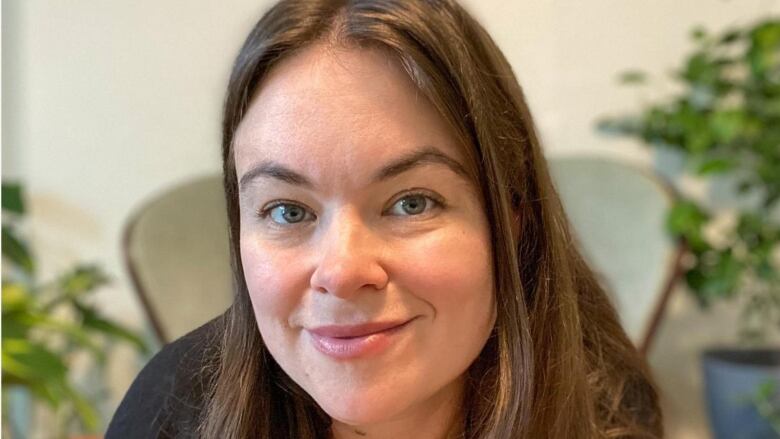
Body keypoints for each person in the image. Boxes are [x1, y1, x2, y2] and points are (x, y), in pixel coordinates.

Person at [107, 0, 663, 438]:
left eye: (411, 202)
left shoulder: (601, 402)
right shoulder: (173, 414)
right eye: (287, 210)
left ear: (512, 222)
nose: (343, 270)